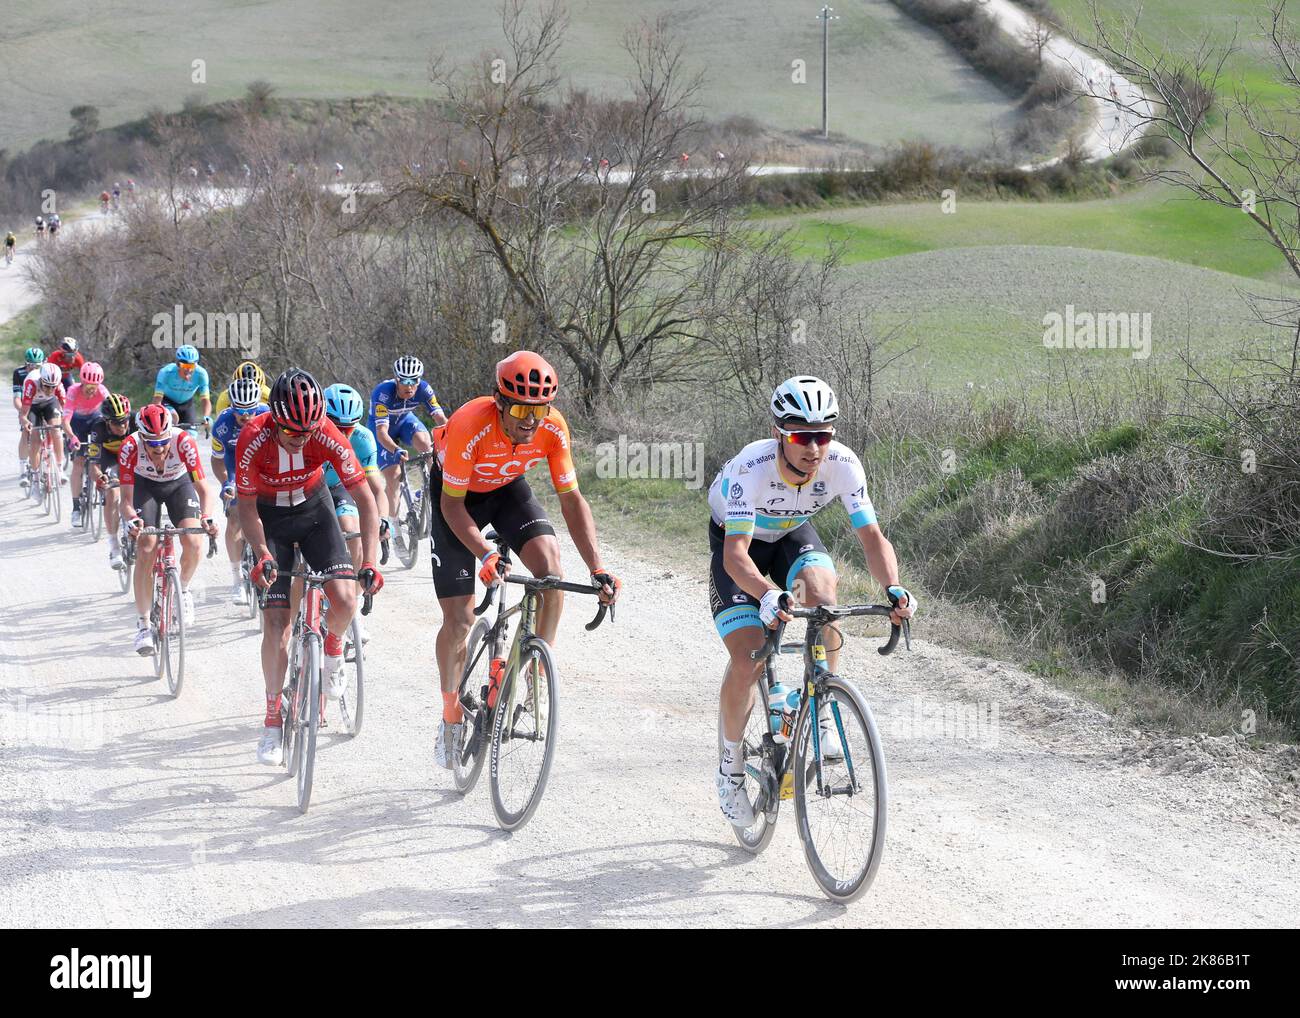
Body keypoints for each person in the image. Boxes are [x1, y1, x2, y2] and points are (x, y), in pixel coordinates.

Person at [708, 376, 915, 828]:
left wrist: (893, 588)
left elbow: (872, 537)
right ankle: (730, 767)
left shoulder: (843, 465)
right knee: (748, 656)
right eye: (802, 436)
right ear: (780, 432)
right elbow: (735, 556)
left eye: (823, 435)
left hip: (789, 535)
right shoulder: (752, 468)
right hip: (740, 544)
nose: (814, 447)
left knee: (823, 597)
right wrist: (768, 594)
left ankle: (819, 709)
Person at [428, 351, 621, 768]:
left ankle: (534, 664)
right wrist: (484, 552)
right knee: (459, 620)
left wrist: (598, 567)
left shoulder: (553, 428)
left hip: (506, 490)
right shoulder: (469, 425)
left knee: (551, 574)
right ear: (499, 402)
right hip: (457, 502)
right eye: (519, 408)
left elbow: (571, 500)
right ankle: (449, 714)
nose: (530, 420)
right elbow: (452, 507)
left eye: (539, 409)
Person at [235, 369, 383, 766]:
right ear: (274, 420)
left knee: (346, 596)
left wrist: (369, 559)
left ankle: (333, 648)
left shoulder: (325, 433)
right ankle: (271, 721)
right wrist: (262, 552)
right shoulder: (253, 437)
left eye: (308, 431)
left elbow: (366, 499)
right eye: (292, 432)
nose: (301, 438)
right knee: (278, 625)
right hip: (272, 519)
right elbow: (246, 508)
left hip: (316, 511)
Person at [119, 404, 218, 651]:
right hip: (145, 486)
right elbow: (126, 502)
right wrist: (132, 520)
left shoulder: (183, 441)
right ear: (141, 437)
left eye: (163, 442)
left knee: (194, 541)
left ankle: (182, 590)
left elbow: (205, 490)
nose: (159, 448)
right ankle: (143, 625)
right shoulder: (130, 446)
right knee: (146, 546)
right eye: (152, 444)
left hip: (178, 484)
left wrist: (207, 517)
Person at [322, 383, 383, 639]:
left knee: (354, 532)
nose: (344, 433)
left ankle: (353, 608)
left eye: (350, 427)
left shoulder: (364, 438)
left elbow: (375, 488)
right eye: (337, 426)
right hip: (309, 490)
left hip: (339, 487)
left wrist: (383, 520)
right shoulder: (311, 432)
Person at [368, 355, 447, 543]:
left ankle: (428, 489)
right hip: (382, 430)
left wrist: (452, 439)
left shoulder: (425, 389)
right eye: (404, 380)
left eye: (414, 381)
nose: (409, 386)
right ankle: (394, 528)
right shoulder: (383, 393)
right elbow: (381, 433)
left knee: (428, 446)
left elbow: (441, 421)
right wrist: (396, 450)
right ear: (396, 379)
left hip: (405, 421)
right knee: (394, 476)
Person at [210, 377, 269, 605]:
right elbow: (217, 461)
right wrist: (226, 483)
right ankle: (237, 580)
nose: (245, 418)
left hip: (261, 467)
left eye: (249, 412)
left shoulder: (268, 417)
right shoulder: (222, 425)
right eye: (239, 413)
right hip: (234, 469)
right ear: (230, 407)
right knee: (235, 518)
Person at [85, 393, 135, 568]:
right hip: (108, 458)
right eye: (116, 422)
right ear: (106, 421)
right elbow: (93, 465)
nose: (122, 426)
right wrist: (100, 478)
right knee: (112, 492)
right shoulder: (97, 428)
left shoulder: (136, 423)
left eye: (124, 421)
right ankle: (114, 545)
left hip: (130, 457)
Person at [64, 362, 110, 527]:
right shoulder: (73, 391)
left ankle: (99, 479)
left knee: (95, 458)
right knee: (78, 462)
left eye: (95, 386)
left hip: (95, 420)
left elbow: (111, 413)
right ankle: (76, 507)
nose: (92, 389)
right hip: (77, 423)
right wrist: (71, 437)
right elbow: (66, 420)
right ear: (82, 382)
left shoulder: (103, 391)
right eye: (88, 385)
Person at [20, 363, 74, 486]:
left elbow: (66, 410)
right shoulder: (31, 383)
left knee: (56, 431)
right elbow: (23, 414)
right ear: (41, 380)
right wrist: (26, 422)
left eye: (52, 387)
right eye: (46, 386)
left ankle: (60, 469)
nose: (50, 390)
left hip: (50, 403)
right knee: (35, 441)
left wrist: (68, 424)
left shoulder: (58, 386)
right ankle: (35, 476)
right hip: (32, 405)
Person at [152, 345, 211, 435]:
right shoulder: (166, 372)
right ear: (177, 364)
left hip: (187, 405)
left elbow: (205, 400)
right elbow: (157, 400)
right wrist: (157, 417)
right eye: (185, 365)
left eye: (192, 366)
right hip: (167, 402)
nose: (188, 369)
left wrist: (206, 417)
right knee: (172, 419)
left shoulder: (201, 374)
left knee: (191, 436)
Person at [12, 347, 44, 469]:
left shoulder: (45, 372)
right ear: (26, 363)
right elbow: (17, 398)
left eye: (37, 366)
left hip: (42, 404)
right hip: (26, 405)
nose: (33, 368)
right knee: (26, 432)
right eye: (30, 365)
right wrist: (22, 412)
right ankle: (23, 466)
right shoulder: (19, 373)